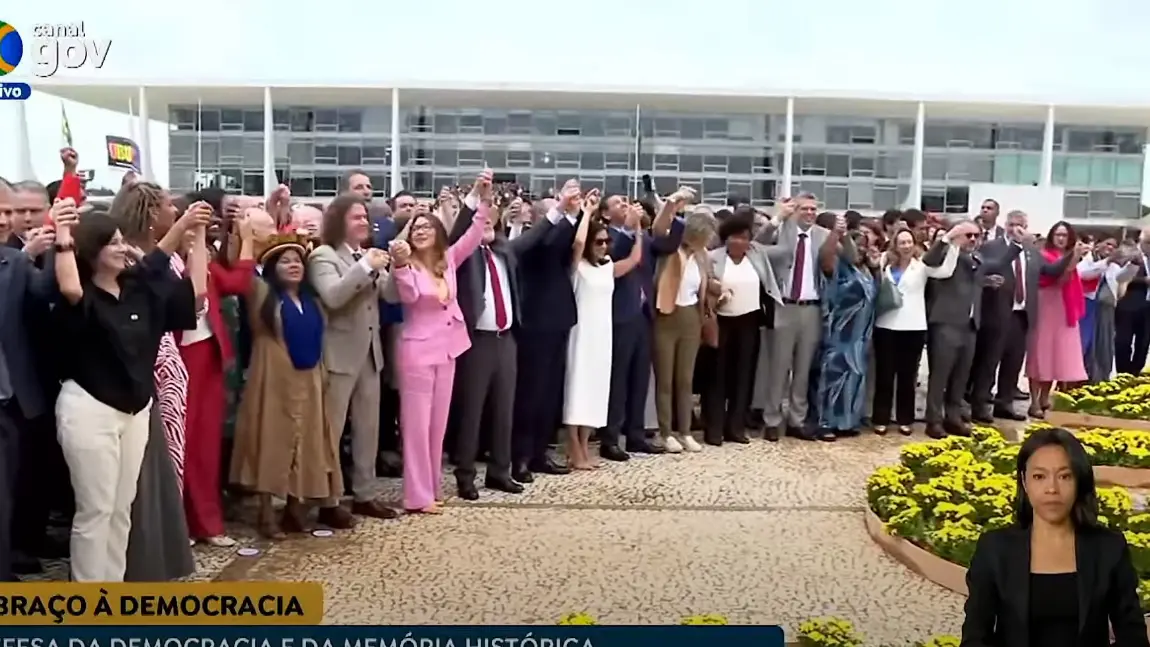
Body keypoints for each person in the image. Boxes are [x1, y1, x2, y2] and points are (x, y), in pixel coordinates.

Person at [52, 199, 208, 582]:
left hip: (136, 410)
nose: (124, 248)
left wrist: (196, 231)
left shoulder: (140, 289)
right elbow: (70, 284)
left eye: (124, 240)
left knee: (122, 508)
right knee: (96, 509)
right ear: (93, 251)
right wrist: (62, 233)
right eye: (113, 243)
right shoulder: (80, 295)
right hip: (89, 407)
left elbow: (193, 287)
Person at [961, 427, 1149, 647]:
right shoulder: (995, 548)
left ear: (1079, 481)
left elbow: (1132, 636)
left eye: (1064, 476)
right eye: (1039, 476)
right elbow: (975, 637)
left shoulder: (1109, 548)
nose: (1052, 488)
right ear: (1024, 481)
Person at [231, 231, 341, 538]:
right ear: (271, 268)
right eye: (284, 261)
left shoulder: (312, 301)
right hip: (274, 380)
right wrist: (246, 233)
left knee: (308, 441)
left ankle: (296, 507)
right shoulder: (263, 296)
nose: (293, 265)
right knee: (271, 441)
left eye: (297, 260)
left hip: (309, 379)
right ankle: (266, 513)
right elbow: (243, 268)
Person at [386, 195, 488, 514]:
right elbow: (408, 295)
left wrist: (483, 205)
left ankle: (430, 488)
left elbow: (471, 237)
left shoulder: (447, 261)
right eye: (415, 226)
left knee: (437, 425)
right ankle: (416, 496)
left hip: (448, 349)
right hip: (417, 351)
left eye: (427, 226)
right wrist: (401, 264)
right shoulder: (408, 266)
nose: (421, 230)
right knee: (416, 426)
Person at [309, 195, 398, 525]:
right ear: (339, 221)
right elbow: (333, 296)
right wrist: (365, 268)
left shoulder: (367, 256)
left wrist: (397, 267)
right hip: (339, 354)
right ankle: (328, 498)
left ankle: (365, 494)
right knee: (331, 430)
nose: (364, 222)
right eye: (357, 217)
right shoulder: (323, 256)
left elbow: (391, 296)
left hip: (371, 354)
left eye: (365, 217)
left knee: (368, 429)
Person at [562, 190, 642, 468]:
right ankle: (573, 448)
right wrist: (586, 213)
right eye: (599, 242)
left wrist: (638, 229)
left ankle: (585, 446)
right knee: (577, 390)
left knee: (596, 390)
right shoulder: (578, 267)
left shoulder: (607, 266)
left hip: (602, 334)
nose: (604, 246)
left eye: (607, 242)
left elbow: (633, 261)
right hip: (581, 333)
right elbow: (578, 242)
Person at [760, 194, 846, 441]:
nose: (810, 213)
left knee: (803, 369)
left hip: (812, 308)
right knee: (778, 367)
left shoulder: (821, 234)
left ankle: (797, 419)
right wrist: (778, 217)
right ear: (794, 210)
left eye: (813, 209)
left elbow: (848, 255)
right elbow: (757, 243)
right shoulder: (782, 228)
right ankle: (772, 419)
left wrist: (842, 234)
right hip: (785, 306)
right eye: (804, 208)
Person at [702, 210, 781, 445]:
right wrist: (717, 289)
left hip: (750, 320)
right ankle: (714, 428)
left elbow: (767, 236)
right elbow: (706, 283)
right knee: (716, 376)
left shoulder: (756, 254)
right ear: (726, 238)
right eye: (734, 237)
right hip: (721, 320)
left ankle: (735, 427)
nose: (740, 242)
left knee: (744, 375)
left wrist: (780, 216)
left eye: (744, 237)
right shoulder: (713, 257)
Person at [871, 226, 957, 435]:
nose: (906, 246)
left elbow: (945, 271)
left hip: (913, 327)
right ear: (895, 244)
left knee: (907, 375)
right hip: (886, 324)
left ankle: (905, 419)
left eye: (909, 242)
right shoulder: (885, 262)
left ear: (914, 244)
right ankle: (881, 418)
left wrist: (953, 246)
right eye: (902, 242)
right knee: (884, 375)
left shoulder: (922, 266)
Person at [651, 199, 716, 453]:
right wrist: (671, 204)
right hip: (666, 316)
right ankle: (666, 432)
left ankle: (686, 431)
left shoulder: (701, 257)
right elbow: (659, 229)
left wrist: (717, 289)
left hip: (691, 316)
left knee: (685, 379)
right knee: (665, 379)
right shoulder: (669, 250)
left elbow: (705, 282)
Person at [811, 225, 878, 439]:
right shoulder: (838, 266)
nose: (861, 250)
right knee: (833, 375)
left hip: (860, 336)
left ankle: (847, 421)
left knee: (855, 378)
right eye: (857, 245)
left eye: (864, 246)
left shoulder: (865, 269)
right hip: (840, 332)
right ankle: (825, 422)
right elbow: (825, 258)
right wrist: (836, 234)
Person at [1026, 221, 1088, 418]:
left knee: (1057, 354)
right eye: (1058, 235)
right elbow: (1058, 278)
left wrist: (1074, 259)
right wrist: (1073, 260)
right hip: (1046, 306)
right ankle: (1034, 400)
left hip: (1064, 309)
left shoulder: (1067, 256)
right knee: (1040, 353)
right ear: (1052, 236)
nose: (1061, 239)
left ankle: (1045, 396)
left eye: (1065, 235)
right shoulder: (1045, 256)